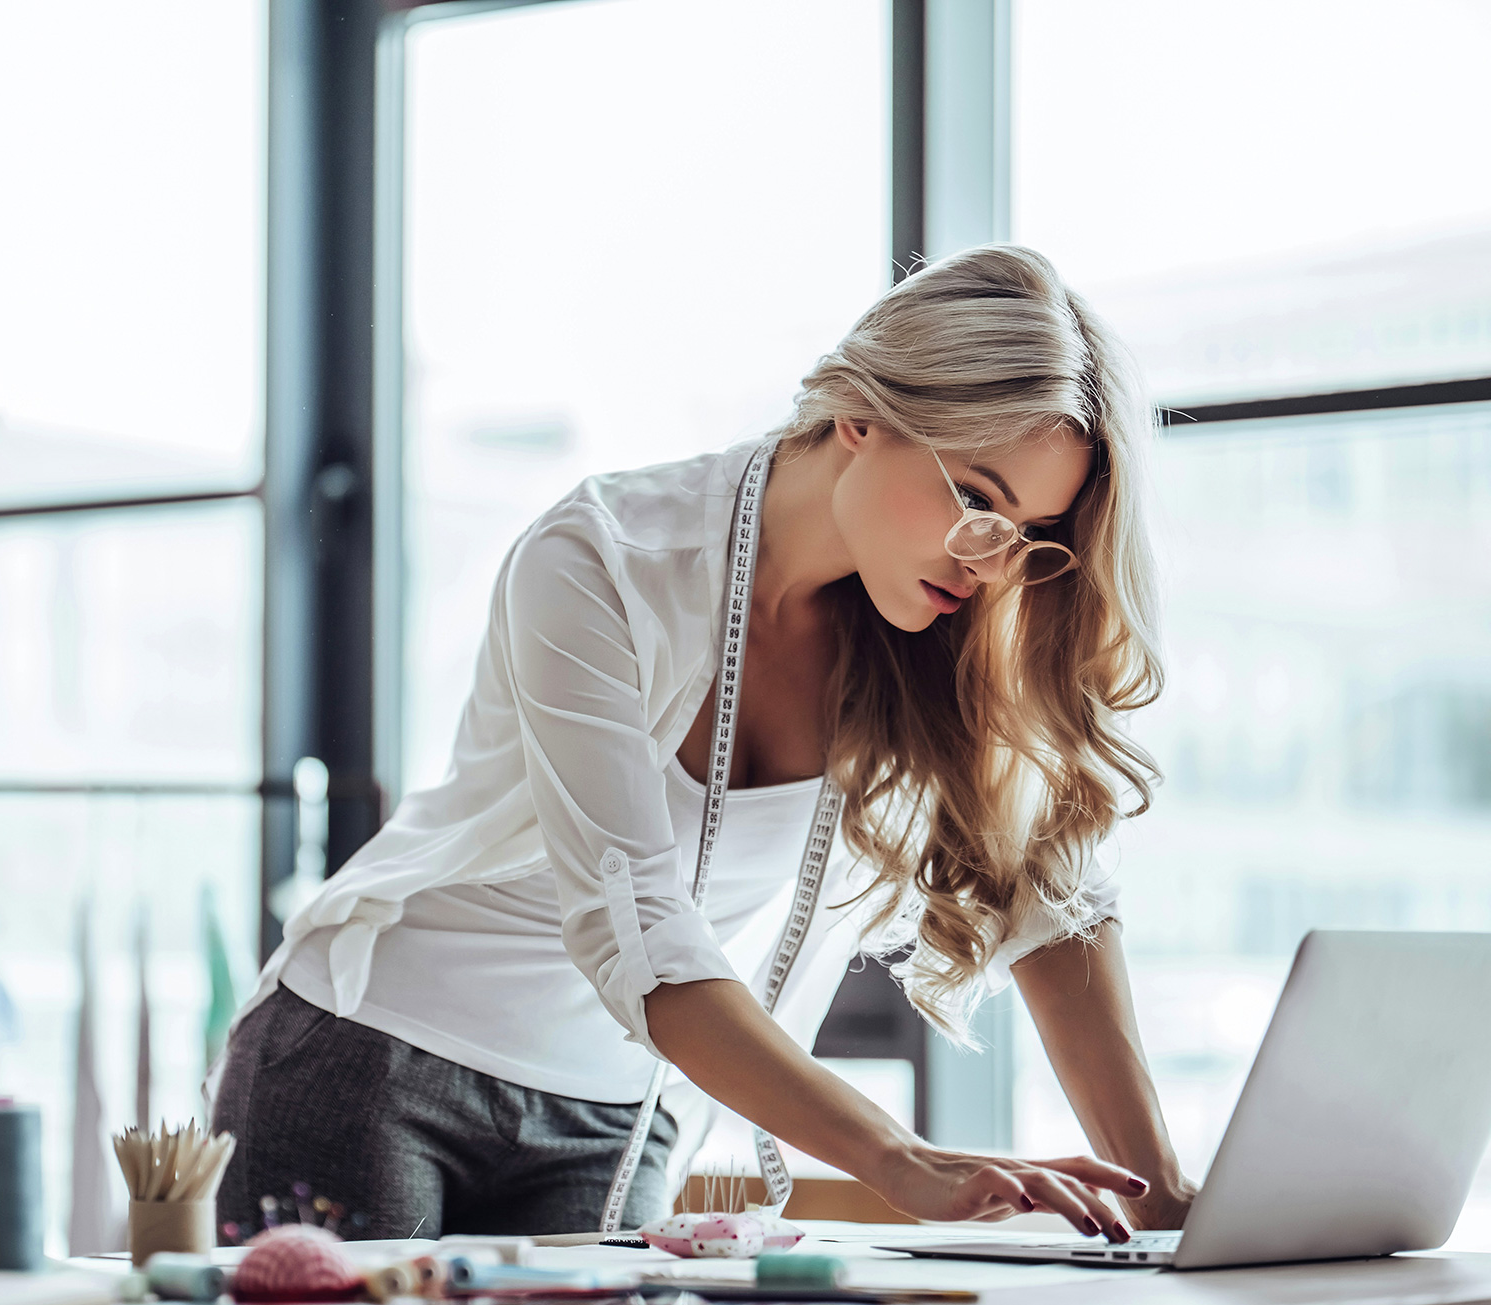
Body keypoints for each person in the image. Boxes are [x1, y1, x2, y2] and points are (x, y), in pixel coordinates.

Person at [213, 245, 1194, 1244]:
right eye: (976, 500)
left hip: (619, 1111)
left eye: (1027, 533)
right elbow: (636, 927)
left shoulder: (937, 634)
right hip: (382, 1052)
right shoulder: (600, 558)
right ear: (862, 414)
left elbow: (1045, 892)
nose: (990, 565)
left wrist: (1160, 1196)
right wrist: (896, 1157)